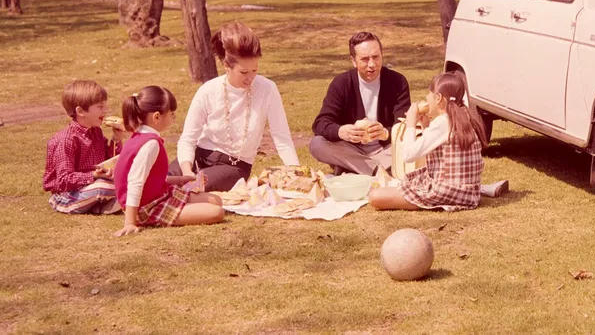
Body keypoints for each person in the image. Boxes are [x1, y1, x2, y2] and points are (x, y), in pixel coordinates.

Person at [172, 22, 300, 192]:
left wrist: (297, 173)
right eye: (244, 72)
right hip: (199, 156)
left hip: (234, 167)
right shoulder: (208, 90)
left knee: (193, 187)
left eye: (254, 70)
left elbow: (282, 138)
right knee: (163, 181)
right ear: (226, 66)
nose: (250, 78)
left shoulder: (267, 89)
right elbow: (188, 139)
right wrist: (187, 171)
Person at [114, 86, 224, 237]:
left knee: (216, 200)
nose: (174, 118)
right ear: (157, 117)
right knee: (216, 212)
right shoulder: (150, 144)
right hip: (148, 207)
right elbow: (135, 183)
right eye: (172, 114)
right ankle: (144, 217)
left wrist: (178, 180)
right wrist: (130, 222)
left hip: (161, 194)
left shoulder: (140, 136)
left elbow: (150, 178)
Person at [368, 72, 486, 211]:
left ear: (438, 97)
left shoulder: (443, 122)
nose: (427, 98)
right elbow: (444, 149)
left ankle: (421, 200)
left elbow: (408, 155)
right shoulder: (466, 116)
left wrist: (411, 124)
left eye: (429, 94)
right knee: (409, 180)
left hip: (447, 192)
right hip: (469, 193)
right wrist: (426, 127)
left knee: (375, 196)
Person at [309, 31, 410, 176]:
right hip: (351, 148)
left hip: (385, 149)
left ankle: (352, 168)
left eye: (376, 57)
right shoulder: (341, 83)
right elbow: (320, 124)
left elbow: (404, 124)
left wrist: (386, 133)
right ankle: (376, 170)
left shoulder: (398, 82)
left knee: (414, 143)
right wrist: (341, 131)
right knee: (317, 144)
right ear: (353, 61)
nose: (372, 64)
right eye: (365, 59)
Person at [43, 80, 127, 214]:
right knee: (103, 187)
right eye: (100, 107)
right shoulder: (67, 140)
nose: (105, 110)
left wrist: (116, 139)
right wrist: (93, 175)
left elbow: (108, 161)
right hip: (66, 196)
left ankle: (100, 206)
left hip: (90, 187)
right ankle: (113, 201)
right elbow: (63, 179)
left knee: (128, 178)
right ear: (80, 111)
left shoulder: (96, 132)